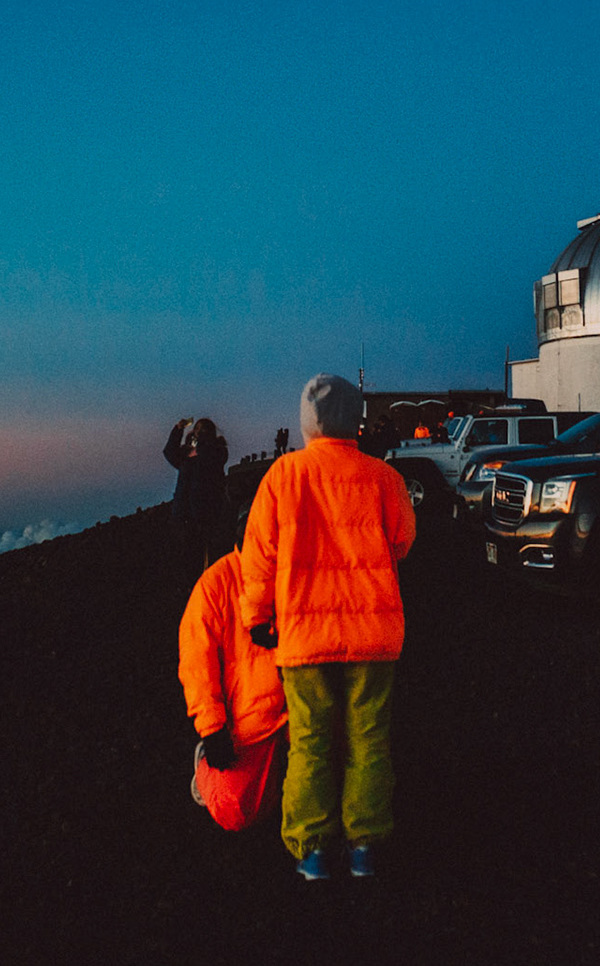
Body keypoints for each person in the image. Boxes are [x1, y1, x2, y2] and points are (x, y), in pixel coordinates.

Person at [239, 373, 416, 880]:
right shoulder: (382, 477)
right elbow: (402, 541)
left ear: (306, 420)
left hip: (302, 633)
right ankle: (365, 844)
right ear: (355, 418)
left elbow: (258, 558)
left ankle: (314, 849)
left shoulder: (282, 476)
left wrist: (257, 618)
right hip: (373, 634)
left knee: (310, 740)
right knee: (368, 737)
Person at [178, 535, 288, 832]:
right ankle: (207, 773)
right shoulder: (216, 585)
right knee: (235, 809)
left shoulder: (299, 569)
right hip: (249, 725)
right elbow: (196, 661)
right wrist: (212, 728)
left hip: (302, 710)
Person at [164, 418, 230, 574]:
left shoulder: (217, 450)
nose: (199, 432)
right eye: (197, 429)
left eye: (203, 430)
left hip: (207, 511)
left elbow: (209, 458)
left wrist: (198, 446)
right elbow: (169, 453)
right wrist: (177, 430)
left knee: (206, 553)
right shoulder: (187, 454)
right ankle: (189, 589)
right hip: (184, 511)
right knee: (187, 555)